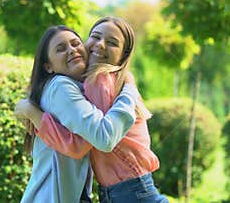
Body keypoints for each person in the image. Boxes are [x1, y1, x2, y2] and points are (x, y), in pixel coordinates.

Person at [16, 16, 168, 203]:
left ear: (123, 54)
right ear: (48, 66)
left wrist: (33, 113)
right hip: (126, 189)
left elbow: (96, 139)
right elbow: (84, 142)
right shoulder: (76, 85)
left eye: (112, 42)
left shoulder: (100, 80)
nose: (100, 45)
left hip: (127, 190)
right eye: (95, 37)